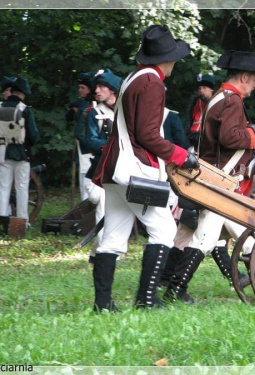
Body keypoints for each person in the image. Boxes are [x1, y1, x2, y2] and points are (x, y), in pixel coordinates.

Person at [90, 25, 197, 311]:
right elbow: (148, 135)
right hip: (135, 169)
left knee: (113, 234)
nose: (175, 62)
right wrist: (180, 155)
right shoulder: (151, 82)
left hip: (116, 167)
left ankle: (103, 304)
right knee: (162, 229)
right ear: (166, 58)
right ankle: (147, 300)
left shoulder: (133, 77)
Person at [162, 51, 255, 304]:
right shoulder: (232, 101)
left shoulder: (220, 97)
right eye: (253, 80)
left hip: (216, 177)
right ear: (243, 77)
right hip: (222, 179)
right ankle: (175, 290)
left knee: (224, 235)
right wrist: (252, 133)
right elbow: (229, 138)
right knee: (210, 237)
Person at [83, 69, 123, 263]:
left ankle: (100, 253)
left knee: (111, 209)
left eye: (101, 87)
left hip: (122, 169)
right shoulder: (95, 113)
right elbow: (89, 141)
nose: (96, 90)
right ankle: (103, 253)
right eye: (96, 87)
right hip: (101, 167)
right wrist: (109, 147)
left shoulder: (125, 111)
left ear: (112, 90)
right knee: (100, 203)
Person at [0, 77, 39, 227]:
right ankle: (22, 222)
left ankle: (1, 220)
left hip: (2, 153)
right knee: (21, 188)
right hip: (21, 153)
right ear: (21, 93)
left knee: (3, 187)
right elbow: (33, 135)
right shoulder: (25, 109)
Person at [65, 72, 95, 201]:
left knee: (87, 180)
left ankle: (87, 209)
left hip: (88, 147)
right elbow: (69, 116)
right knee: (83, 178)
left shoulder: (91, 105)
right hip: (82, 147)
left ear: (89, 89)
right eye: (79, 87)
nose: (80, 90)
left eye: (83, 88)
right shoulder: (81, 103)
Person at [186, 73, 215, 151]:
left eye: (205, 88)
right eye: (199, 88)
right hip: (193, 137)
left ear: (211, 89)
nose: (201, 91)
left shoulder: (216, 104)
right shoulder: (197, 102)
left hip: (207, 139)